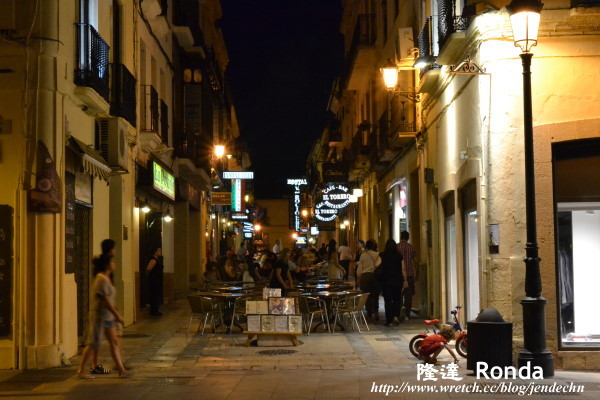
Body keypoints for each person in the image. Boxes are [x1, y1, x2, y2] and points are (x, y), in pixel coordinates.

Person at [77, 256, 131, 378]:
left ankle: (122, 370)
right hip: (99, 316)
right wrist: (117, 315)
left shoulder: (107, 278)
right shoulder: (101, 278)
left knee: (114, 342)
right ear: (107, 265)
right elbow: (105, 300)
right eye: (111, 261)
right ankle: (81, 370)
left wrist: (115, 313)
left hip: (108, 317)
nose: (113, 264)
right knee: (92, 344)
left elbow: (110, 299)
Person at [379, 239, 404, 327]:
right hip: (398, 280)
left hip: (386, 281)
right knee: (397, 299)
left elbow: (376, 265)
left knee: (388, 300)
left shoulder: (383, 255)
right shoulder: (399, 256)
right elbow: (403, 269)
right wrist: (405, 280)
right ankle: (396, 316)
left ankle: (389, 321)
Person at [357, 239, 381, 321]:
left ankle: (369, 314)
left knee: (367, 296)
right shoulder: (378, 254)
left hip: (365, 276)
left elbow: (360, 268)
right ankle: (376, 311)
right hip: (375, 277)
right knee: (375, 295)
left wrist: (359, 277)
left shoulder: (363, 255)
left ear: (366, 246)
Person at [397, 230, 417, 320]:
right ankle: (407, 314)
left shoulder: (397, 247)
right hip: (409, 274)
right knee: (408, 295)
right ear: (408, 237)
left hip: (399, 274)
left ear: (401, 237)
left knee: (399, 295)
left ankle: (400, 309)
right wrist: (417, 273)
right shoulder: (411, 247)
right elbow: (415, 261)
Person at [146, 247, 164, 316]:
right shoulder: (153, 260)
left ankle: (156, 309)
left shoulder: (157, 260)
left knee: (157, 294)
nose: (160, 252)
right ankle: (153, 310)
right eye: (159, 250)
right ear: (155, 252)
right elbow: (148, 269)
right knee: (154, 294)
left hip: (157, 280)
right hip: (154, 280)